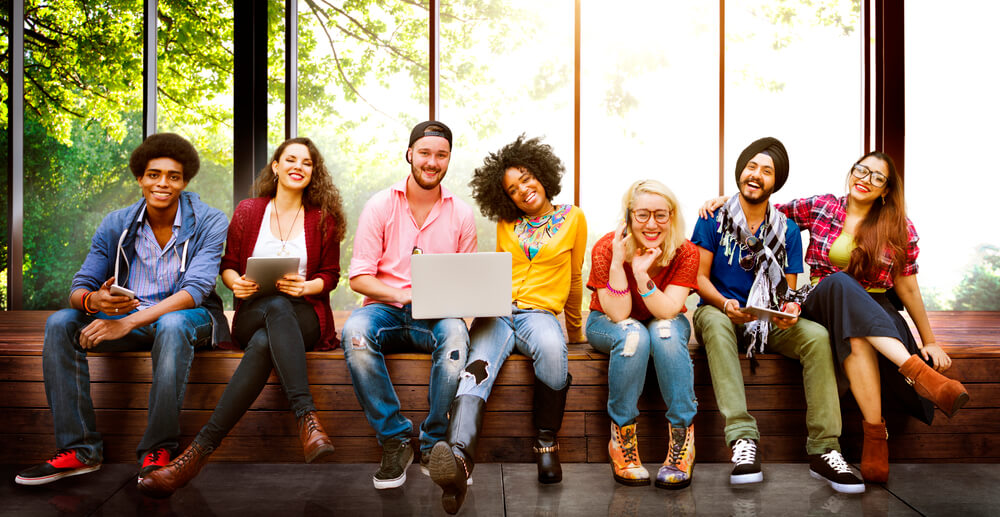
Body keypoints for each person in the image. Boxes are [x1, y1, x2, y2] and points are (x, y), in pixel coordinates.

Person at [137, 137, 347, 497]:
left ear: (314, 173)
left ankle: (194, 456)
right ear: (276, 167)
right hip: (253, 311)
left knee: (274, 325)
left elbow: (330, 275)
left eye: (307, 163)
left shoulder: (322, 218)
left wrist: (306, 286)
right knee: (272, 312)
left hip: (305, 316)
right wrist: (238, 283)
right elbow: (228, 266)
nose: (298, 166)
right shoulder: (250, 211)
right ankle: (307, 418)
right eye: (290, 159)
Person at [15, 133, 229, 486]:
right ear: (140, 178)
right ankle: (79, 451)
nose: (162, 183)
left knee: (174, 324)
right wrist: (92, 301)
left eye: (173, 176)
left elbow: (196, 290)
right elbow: (80, 285)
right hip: (129, 318)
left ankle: (157, 449)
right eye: (154, 174)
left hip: (192, 318)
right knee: (60, 323)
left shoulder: (210, 220)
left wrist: (125, 322)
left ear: (185, 181)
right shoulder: (117, 222)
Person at [758, 151, 967, 483]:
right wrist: (725, 203)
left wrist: (930, 341)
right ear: (851, 172)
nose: (865, 179)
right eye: (861, 170)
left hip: (875, 310)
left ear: (886, 190)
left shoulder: (898, 228)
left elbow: (909, 289)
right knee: (840, 282)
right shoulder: (823, 206)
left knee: (855, 333)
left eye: (876, 177)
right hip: (821, 300)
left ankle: (875, 438)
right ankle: (922, 376)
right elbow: (762, 213)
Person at [690, 137, 864, 494]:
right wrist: (724, 303)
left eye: (766, 171)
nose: (756, 175)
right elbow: (698, 278)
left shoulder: (786, 229)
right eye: (751, 166)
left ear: (776, 182)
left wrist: (789, 309)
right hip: (721, 312)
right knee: (713, 320)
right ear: (740, 172)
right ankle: (742, 440)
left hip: (764, 322)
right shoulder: (713, 218)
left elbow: (787, 290)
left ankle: (824, 448)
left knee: (815, 336)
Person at [429, 135, 587, 514]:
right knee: (474, 370)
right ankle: (459, 459)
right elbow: (497, 272)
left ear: (543, 175)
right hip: (497, 312)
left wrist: (576, 330)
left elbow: (576, 277)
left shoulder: (574, 218)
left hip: (539, 314)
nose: (523, 191)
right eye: (513, 190)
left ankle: (546, 443)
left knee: (552, 350)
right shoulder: (506, 224)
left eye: (527, 179)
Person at [341, 121, 477, 490]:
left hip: (434, 317)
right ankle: (395, 440)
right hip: (385, 309)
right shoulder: (380, 206)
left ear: (448, 159)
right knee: (354, 331)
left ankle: (434, 443)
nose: (432, 162)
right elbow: (359, 278)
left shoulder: (462, 214)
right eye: (425, 153)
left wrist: (460, 313)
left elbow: (467, 285)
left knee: (455, 333)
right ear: (410, 154)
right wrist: (402, 294)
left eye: (441, 155)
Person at [585, 179, 700, 490]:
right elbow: (618, 314)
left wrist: (641, 274)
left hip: (662, 316)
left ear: (672, 216)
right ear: (628, 216)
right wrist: (621, 265)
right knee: (634, 335)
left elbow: (668, 310)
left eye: (661, 215)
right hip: (606, 321)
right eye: (643, 215)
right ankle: (621, 441)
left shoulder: (686, 252)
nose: (652, 224)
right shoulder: (607, 247)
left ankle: (682, 441)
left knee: (663, 333)